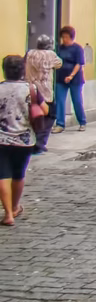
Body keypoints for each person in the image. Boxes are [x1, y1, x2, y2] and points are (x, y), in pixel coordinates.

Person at [0, 55, 42, 226]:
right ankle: (15, 206)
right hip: (25, 139)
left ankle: (8, 214)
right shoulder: (31, 89)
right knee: (18, 174)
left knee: (3, 175)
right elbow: (44, 109)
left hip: (1, 139)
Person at [24, 36, 63, 152]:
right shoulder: (51, 55)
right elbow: (59, 64)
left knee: (33, 117)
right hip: (45, 92)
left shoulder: (29, 53)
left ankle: (31, 142)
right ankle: (40, 143)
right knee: (50, 116)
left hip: (31, 90)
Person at [54, 26, 86, 133]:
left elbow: (79, 64)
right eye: (63, 37)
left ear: (71, 37)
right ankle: (60, 124)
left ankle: (82, 122)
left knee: (77, 101)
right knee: (60, 101)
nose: (65, 40)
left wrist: (71, 76)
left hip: (75, 79)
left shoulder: (78, 48)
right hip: (61, 78)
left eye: (67, 37)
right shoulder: (60, 48)